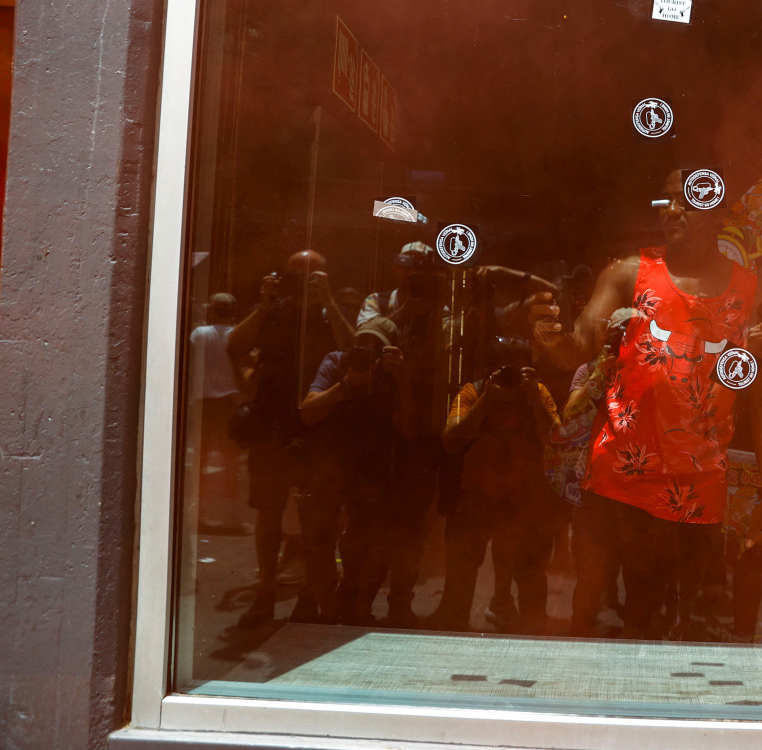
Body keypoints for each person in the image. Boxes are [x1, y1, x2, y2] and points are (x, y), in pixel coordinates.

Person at [529, 170, 762, 640]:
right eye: (668, 200)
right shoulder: (629, 273)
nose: (673, 210)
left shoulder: (752, 293)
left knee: (663, 617)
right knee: (589, 601)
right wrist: (549, 336)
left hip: (694, 484)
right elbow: (578, 347)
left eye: (687, 200)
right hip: (617, 473)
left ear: (718, 213)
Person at [226, 250, 355, 628]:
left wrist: (328, 302)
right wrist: (264, 305)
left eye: (310, 276)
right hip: (272, 425)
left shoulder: (330, 312)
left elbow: (352, 351)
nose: (301, 283)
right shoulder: (274, 310)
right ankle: (265, 591)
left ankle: (309, 594)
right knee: (269, 512)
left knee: (317, 516)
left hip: (317, 424)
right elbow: (235, 347)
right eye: (294, 276)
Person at [427, 337, 563, 633]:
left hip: (524, 497)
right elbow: (450, 440)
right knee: (461, 568)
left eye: (517, 369)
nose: (510, 377)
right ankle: (453, 625)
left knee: (531, 572)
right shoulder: (475, 391)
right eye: (505, 369)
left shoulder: (537, 392)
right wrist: (487, 400)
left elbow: (557, 442)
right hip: (477, 493)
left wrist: (534, 400)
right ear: (491, 371)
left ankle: (533, 630)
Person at [299, 316, 420, 625]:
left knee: (369, 541)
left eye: (375, 347)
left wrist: (401, 379)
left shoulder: (394, 373)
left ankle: (358, 607)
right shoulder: (337, 362)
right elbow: (308, 411)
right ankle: (328, 609)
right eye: (361, 344)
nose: (365, 352)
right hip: (331, 462)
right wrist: (348, 384)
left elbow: (409, 429)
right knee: (320, 537)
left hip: (371, 466)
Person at [189, 292, 246, 533]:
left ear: (212, 309)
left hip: (203, 401)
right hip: (229, 402)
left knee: (200, 460)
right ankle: (231, 517)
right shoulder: (238, 333)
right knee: (230, 461)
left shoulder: (199, 334)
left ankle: (198, 515)